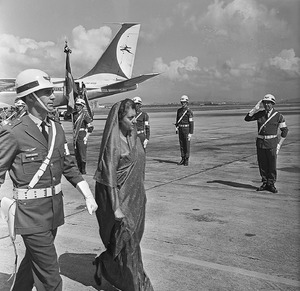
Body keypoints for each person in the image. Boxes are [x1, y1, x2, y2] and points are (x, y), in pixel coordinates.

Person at [0, 69, 98, 291]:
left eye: (52, 91)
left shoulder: (55, 128)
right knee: (50, 277)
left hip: (53, 211)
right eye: (46, 92)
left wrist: (87, 194)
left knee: (32, 264)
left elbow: (68, 165)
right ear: (30, 97)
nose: (53, 96)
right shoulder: (14, 132)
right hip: (30, 215)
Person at [93, 98, 154, 291]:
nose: (134, 120)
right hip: (121, 204)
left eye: (135, 116)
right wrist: (116, 208)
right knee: (131, 251)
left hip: (137, 200)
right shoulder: (114, 144)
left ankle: (104, 265)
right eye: (130, 117)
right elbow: (109, 178)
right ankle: (139, 287)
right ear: (119, 119)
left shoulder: (134, 137)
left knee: (127, 247)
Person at [244, 94, 288, 193]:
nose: (266, 105)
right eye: (265, 103)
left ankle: (271, 184)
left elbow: (284, 131)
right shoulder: (260, 114)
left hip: (272, 144)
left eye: (269, 103)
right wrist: (255, 108)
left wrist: (279, 145)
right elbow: (247, 118)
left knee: (272, 165)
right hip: (260, 143)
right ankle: (265, 182)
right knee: (262, 164)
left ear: (273, 104)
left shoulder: (278, 116)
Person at [72, 98, 94, 174]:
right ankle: (79, 168)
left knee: (82, 154)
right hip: (76, 135)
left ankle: (83, 169)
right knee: (77, 153)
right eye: (76, 105)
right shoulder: (74, 114)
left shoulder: (85, 115)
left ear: (82, 106)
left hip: (82, 135)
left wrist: (86, 137)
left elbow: (90, 127)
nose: (77, 106)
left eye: (79, 105)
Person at [175, 95, 194, 166]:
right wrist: (177, 127)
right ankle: (182, 158)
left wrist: (191, 133)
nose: (183, 104)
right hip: (180, 129)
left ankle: (186, 159)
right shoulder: (179, 111)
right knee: (182, 144)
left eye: (184, 102)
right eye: (182, 102)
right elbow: (177, 120)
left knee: (187, 144)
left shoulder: (189, 112)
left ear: (187, 102)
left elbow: (191, 122)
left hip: (186, 129)